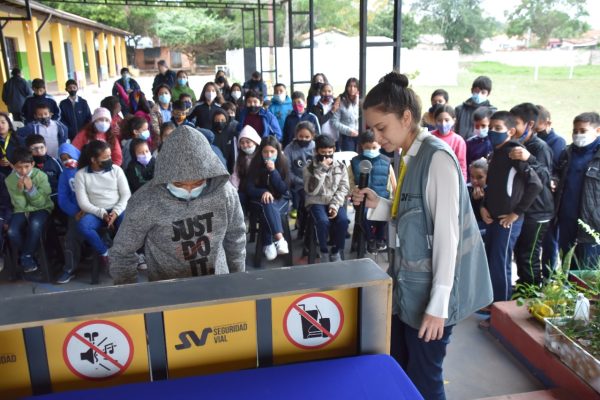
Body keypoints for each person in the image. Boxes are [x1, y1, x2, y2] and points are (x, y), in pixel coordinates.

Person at [351, 72, 493, 400]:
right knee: (399, 367)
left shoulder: (437, 159)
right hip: (407, 289)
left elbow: (447, 236)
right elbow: (416, 217)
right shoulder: (410, 156)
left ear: (406, 117)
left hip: (432, 296)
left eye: (381, 127)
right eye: (372, 129)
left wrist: (438, 305)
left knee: (424, 381)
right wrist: (380, 205)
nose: (376, 136)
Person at [109, 125, 246, 283]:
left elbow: (236, 238)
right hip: (166, 292)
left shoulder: (225, 193)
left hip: (217, 284)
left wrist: (238, 281)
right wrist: (131, 295)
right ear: (165, 176)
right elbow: (121, 253)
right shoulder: (145, 201)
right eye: (179, 184)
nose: (188, 189)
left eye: (197, 183)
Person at [481, 111, 542, 303]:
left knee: (500, 265)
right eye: (490, 127)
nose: (492, 132)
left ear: (511, 131)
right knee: (491, 262)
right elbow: (491, 186)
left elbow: (536, 185)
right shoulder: (495, 153)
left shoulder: (514, 152)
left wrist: (516, 214)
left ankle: (501, 308)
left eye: (497, 128)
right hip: (492, 218)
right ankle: (492, 304)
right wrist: (483, 206)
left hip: (507, 222)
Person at [508, 103, 554, 286]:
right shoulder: (514, 144)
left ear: (530, 124)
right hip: (523, 210)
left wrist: (529, 158)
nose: (512, 127)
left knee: (529, 255)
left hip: (538, 212)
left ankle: (532, 296)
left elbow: (544, 177)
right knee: (519, 253)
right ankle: (522, 289)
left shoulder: (540, 148)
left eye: (516, 123)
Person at [74, 140, 131, 267]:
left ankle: (124, 253)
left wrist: (115, 212)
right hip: (96, 212)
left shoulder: (116, 170)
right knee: (84, 226)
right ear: (94, 160)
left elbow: (126, 195)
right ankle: (105, 253)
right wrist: (102, 214)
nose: (110, 159)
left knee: (127, 222)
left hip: (118, 209)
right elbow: (83, 203)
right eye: (105, 157)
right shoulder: (81, 175)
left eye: (110, 156)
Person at [555, 112, 600, 269]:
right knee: (567, 265)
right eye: (575, 131)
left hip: (591, 223)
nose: (578, 135)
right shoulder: (567, 153)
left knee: (587, 271)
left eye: (583, 131)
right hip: (566, 219)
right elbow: (557, 173)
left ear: (597, 131)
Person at [6, 147, 54, 273]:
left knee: (35, 224)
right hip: (21, 210)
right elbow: (20, 204)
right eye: (19, 167)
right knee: (12, 231)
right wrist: (20, 189)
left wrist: (31, 189)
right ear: (13, 166)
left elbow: (42, 202)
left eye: (27, 166)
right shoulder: (10, 180)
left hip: (42, 208)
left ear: (32, 164)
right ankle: (30, 255)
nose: (23, 171)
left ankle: (26, 256)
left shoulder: (41, 176)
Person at [304, 134, 350, 262]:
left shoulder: (340, 166)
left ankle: (336, 251)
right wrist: (321, 169)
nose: (327, 155)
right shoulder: (310, 167)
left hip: (334, 201)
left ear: (334, 150)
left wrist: (334, 206)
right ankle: (323, 250)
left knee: (343, 220)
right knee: (323, 222)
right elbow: (311, 190)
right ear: (317, 151)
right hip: (316, 201)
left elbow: (344, 187)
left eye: (330, 152)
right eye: (323, 152)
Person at [350, 131, 395, 253]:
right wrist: (354, 192)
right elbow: (350, 182)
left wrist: (392, 198)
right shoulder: (355, 162)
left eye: (374, 147)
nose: (371, 150)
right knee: (363, 214)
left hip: (382, 197)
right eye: (367, 148)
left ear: (380, 145)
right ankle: (370, 239)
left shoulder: (386, 162)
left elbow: (393, 184)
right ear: (362, 147)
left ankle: (380, 239)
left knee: (385, 214)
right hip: (362, 199)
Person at [247, 135, 290, 261]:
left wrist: (273, 172)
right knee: (267, 203)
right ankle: (279, 239)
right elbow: (249, 188)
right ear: (261, 152)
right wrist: (264, 191)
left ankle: (267, 243)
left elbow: (284, 189)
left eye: (272, 151)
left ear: (278, 151)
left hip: (281, 200)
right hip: (260, 200)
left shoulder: (283, 163)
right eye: (265, 152)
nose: (269, 154)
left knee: (269, 208)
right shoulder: (255, 164)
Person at [535, 105, 566, 276]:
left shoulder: (557, 141)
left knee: (549, 241)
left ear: (547, 123)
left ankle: (549, 276)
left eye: (537, 124)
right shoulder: (531, 140)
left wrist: (553, 180)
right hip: (534, 197)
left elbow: (556, 169)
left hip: (549, 198)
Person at [55, 143, 84, 284]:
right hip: (76, 213)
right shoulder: (64, 175)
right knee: (70, 238)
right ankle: (69, 269)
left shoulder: (88, 169)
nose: (67, 160)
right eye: (63, 158)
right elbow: (63, 198)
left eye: (69, 157)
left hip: (95, 209)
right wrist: (75, 211)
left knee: (104, 234)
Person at [284, 121, 316, 220]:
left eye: (307, 137)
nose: (303, 139)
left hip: (315, 182)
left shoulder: (315, 147)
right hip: (297, 183)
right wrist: (302, 181)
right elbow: (287, 171)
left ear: (312, 136)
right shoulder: (289, 149)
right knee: (305, 200)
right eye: (300, 136)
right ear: (296, 135)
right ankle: (300, 217)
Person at [431, 105, 467, 181]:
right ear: (434, 121)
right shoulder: (429, 137)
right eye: (439, 120)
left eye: (447, 120)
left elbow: (461, 165)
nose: (443, 123)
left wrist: (462, 184)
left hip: (450, 179)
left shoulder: (458, 141)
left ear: (454, 120)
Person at [231, 125, 262, 211]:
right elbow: (235, 175)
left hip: (258, 188)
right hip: (244, 189)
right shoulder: (240, 158)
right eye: (242, 143)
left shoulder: (262, 155)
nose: (245, 145)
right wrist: (233, 190)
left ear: (255, 141)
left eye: (248, 142)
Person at [25, 134, 62, 205]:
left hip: (56, 197)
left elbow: (63, 181)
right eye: (34, 148)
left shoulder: (54, 162)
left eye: (42, 147)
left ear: (46, 148)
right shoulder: (25, 165)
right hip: (36, 200)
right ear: (28, 150)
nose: (39, 151)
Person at [332, 78, 360, 152]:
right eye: (350, 86)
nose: (352, 89)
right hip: (347, 137)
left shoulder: (360, 99)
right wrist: (349, 131)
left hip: (361, 135)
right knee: (349, 158)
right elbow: (334, 122)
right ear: (346, 87)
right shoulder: (341, 101)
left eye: (355, 86)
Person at [309, 83, 340, 148]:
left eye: (329, 91)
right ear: (320, 92)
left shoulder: (335, 103)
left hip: (336, 138)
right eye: (324, 91)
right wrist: (332, 111)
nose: (327, 93)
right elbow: (319, 121)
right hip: (322, 138)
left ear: (332, 92)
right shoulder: (316, 106)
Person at [466, 107, 493, 172]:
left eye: (483, 126)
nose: (480, 129)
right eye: (477, 126)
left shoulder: (495, 142)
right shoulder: (470, 143)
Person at [211, 108, 237, 174]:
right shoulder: (210, 134)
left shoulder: (231, 133)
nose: (220, 122)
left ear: (226, 120)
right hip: (213, 167)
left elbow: (233, 154)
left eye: (222, 120)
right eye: (217, 120)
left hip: (228, 168)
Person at [468, 158, 488, 234]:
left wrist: (481, 201)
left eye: (480, 177)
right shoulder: (467, 189)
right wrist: (474, 200)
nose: (474, 180)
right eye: (472, 177)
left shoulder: (491, 191)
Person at [0, 112, 20, 176]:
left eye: (3, 122)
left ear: (9, 124)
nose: (0, 125)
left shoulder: (19, 140)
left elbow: (26, 158)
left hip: (19, 172)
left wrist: (12, 164)